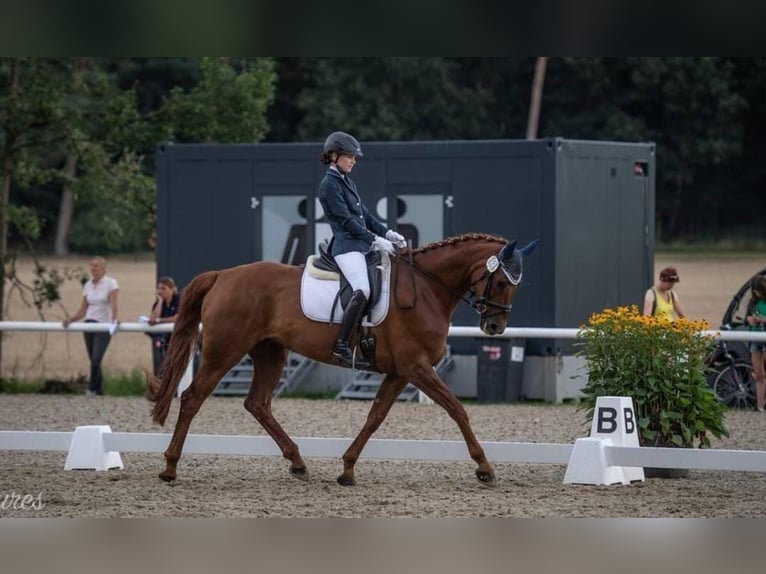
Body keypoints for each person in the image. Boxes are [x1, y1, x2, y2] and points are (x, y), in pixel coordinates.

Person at [317, 130, 406, 368]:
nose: (353, 161)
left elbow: (364, 216)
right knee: (363, 290)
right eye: (349, 156)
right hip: (346, 247)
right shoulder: (329, 185)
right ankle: (342, 347)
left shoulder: (347, 182)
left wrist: (387, 232)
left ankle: (368, 341)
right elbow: (347, 222)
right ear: (334, 156)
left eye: (355, 157)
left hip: (362, 246)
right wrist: (375, 240)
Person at [62, 256, 119, 395]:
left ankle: (91, 388)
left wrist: (115, 319)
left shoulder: (111, 283)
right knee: (93, 360)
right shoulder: (87, 285)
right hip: (89, 324)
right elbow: (83, 308)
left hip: (103, 325)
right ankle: (98, 390)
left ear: (103, 269)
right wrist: (71, 319)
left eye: (96, 266)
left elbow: (113, 304)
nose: (93, 269)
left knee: (95, 359)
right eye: (92, 266)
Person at [148, 276, 180, 376]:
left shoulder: (179, 300)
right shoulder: (158, 302)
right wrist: (160, 301)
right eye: (159, 288)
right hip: (163, 337)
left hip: (177, 337)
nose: (160, 291)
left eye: (164, 289)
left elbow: (177, 318)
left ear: (172, 289)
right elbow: (153, 319)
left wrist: (159, 320)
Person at [745, 275, 766, 412]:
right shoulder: (752, 302)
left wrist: (763, 320)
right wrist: (751, 320)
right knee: (759, 373)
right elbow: (747, 317)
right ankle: (759, 405)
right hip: (755, 337)